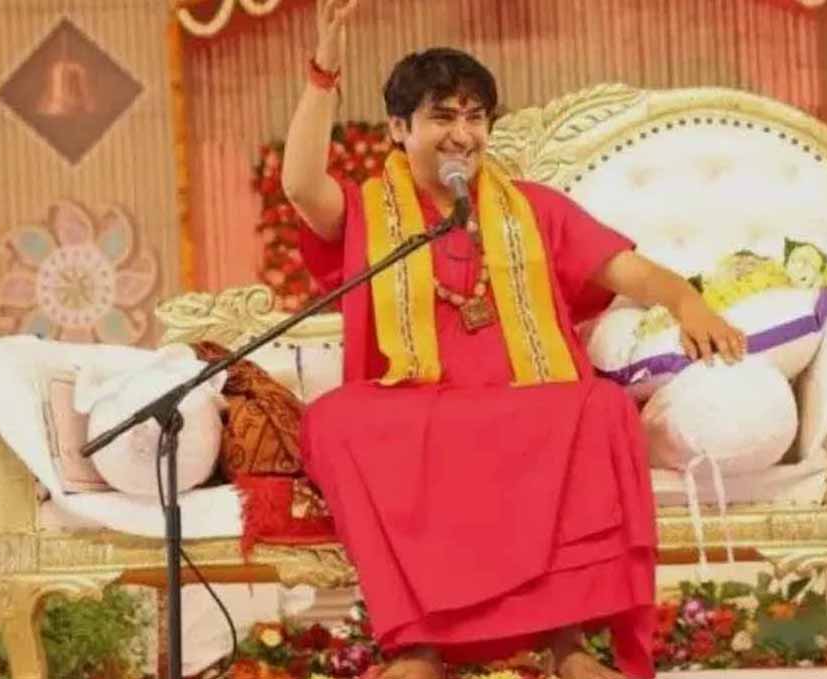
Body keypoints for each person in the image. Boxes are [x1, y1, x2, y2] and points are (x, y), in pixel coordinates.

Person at [283, 2, 747, 678]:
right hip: (418, 410)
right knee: (335, 419)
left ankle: (568, 646)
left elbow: (630, 270)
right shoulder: (365, 211)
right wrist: (323, 72)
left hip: (526, 406)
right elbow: (300, 184)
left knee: (601, 408)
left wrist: (686, 299)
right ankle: (418, 648)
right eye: (442, 117)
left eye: (475, 118)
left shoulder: (534, 207)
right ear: (398, 129)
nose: (462, 134)